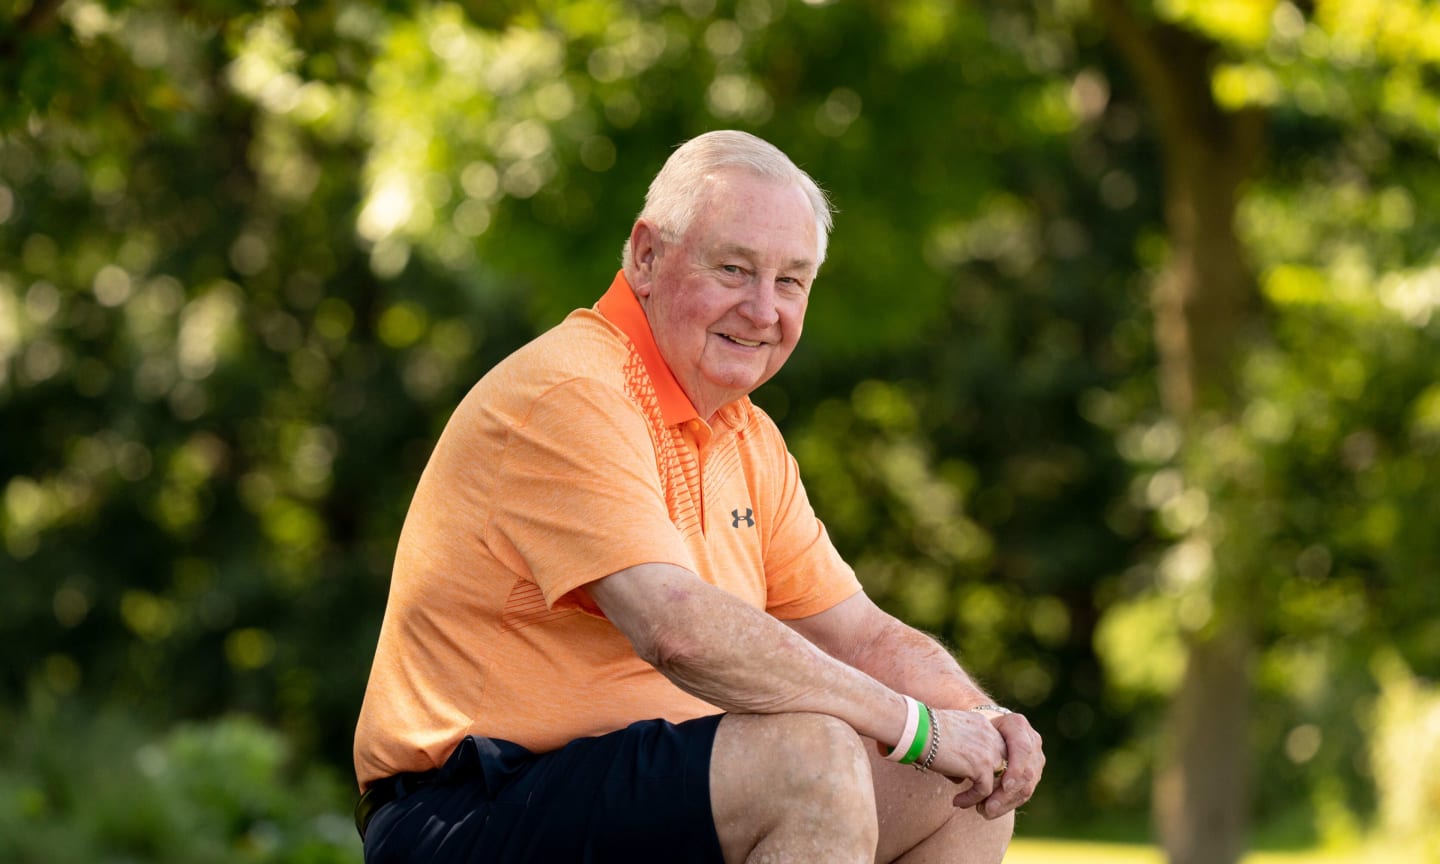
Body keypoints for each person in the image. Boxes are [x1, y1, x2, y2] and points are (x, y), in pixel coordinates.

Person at [353, 129, 1044, 863]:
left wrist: (980, 720)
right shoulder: (573, 392)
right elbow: (674, 627)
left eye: (790, 281)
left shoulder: (746, 438)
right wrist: (916, 727)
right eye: (734, 269)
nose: (762, 309)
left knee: (963, 788)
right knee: (811, 760)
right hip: (468, 809)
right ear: (646, 256)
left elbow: (859, 633)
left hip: (633, 794)